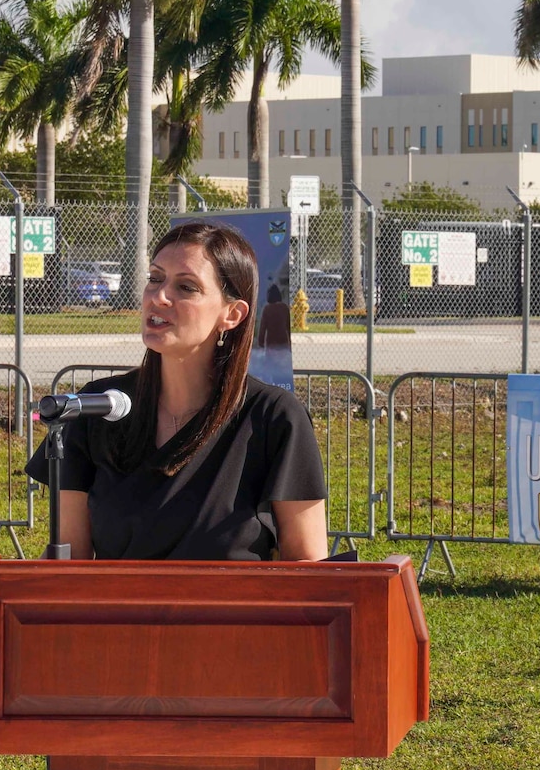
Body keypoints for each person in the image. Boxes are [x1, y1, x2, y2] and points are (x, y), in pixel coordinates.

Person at [27, 221, 329, 561]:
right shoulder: (95, 408)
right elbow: (69, 561)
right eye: (155, 279)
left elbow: (308, 567)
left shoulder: (273, 417)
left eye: (186, 287)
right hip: (117, 614)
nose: (159, 297)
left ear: (232, 314)